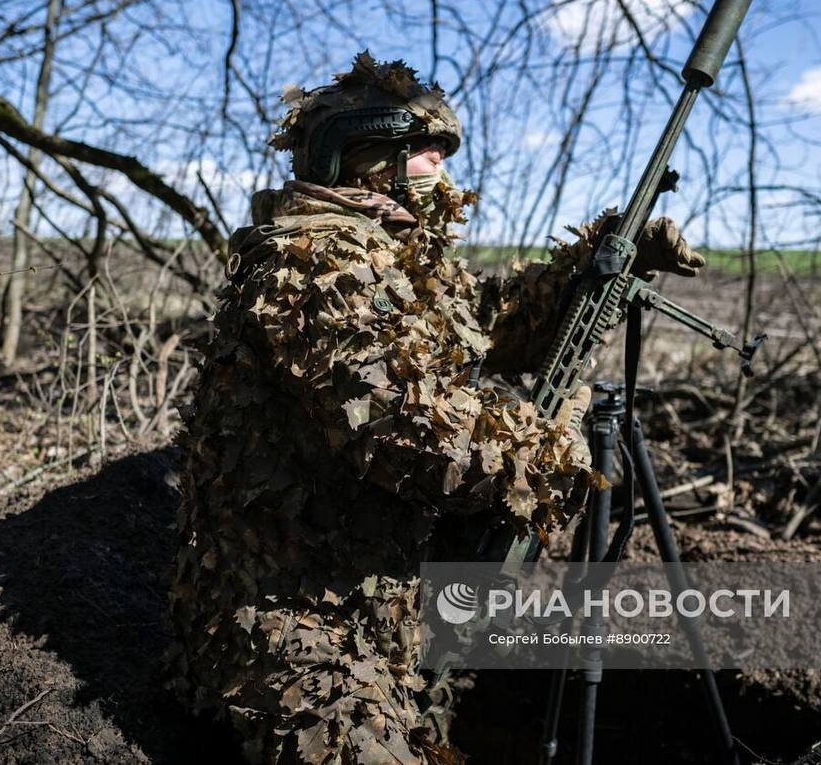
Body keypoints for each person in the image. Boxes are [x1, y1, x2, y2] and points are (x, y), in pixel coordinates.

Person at [166, 52, 704, 763]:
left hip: (384, 609)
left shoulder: (392, 258)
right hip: (288, 626)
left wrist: (603, 257)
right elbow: (410, 438)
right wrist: (554, 451)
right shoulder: (315, 265)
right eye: (424, 151)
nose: (441, 171)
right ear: (362, 157)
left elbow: (492, 321)